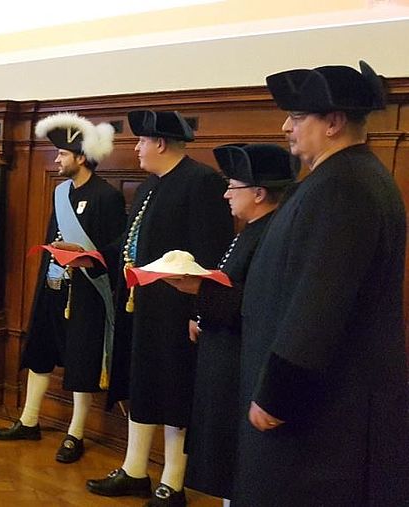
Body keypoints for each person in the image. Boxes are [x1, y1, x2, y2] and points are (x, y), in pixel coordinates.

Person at [235, 61, 409, 506]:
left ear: (332, 122)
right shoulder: (340, 177)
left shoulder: (344, 187)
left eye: (297, 116)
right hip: (318, 401)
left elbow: (319, 302)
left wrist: (277, 395)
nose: (285, 126)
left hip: (322, 411)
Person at [87, 110, 232, 507]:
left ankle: (173, 482)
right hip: (143, 307)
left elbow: (211, 254)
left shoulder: (201, 182)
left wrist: (198, 311)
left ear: (161, 143)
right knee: (143, 385)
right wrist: (93, 256)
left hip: (177, 312)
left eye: (142, 141)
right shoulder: (152, 184)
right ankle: (135, 470)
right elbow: (131, 242)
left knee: (174, 392)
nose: (136, 148)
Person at [162, 144, 295, 504]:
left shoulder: (271, 235)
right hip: (222, 358)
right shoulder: (250, 229)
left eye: (233, 187)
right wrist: (200, 313)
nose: (225, 194)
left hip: (240, 366)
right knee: (224, 464)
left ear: (259, 192)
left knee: (236, 463)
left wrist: (198, 289)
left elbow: (256, 303)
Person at [0, 113, 125, 463]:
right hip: (53, 285)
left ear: (81, 157)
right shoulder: (60, 193)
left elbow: (115, 250)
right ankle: (29, 420)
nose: (57, 160)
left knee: (82, 362)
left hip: (87, 292)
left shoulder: (107, 196)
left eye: (62, 154)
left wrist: (90, 259)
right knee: (41, 350)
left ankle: (75, 434)